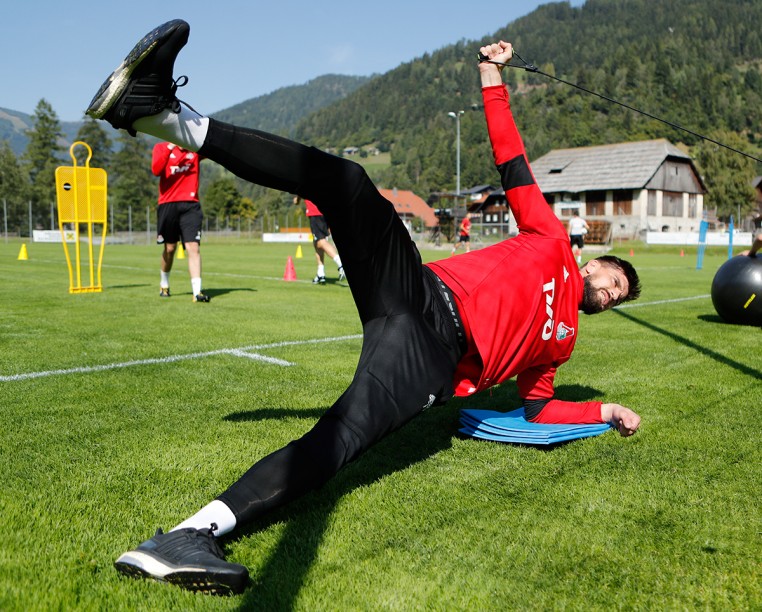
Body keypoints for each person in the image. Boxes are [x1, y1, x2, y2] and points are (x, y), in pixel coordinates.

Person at [86, 22, 642, 595]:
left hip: (430, 357)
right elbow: (512, 158)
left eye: (619, 296)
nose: (613, 292)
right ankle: (160, 115)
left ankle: (187, 536)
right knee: (349, 182)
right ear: (592, 263)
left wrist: (602, 411)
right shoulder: (551, 239)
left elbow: (539, 410)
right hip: (418, 290)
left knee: (341, 439)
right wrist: (490, 73)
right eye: (615, 278)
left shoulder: (562, 344)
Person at [152, 140, 210, 302]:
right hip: (168, 204)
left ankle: (197, 293)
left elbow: (213, 149)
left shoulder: (194, 150)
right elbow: (156, 170)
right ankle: (164, 283)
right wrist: (171, 146)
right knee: (170, 248)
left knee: (193, 247)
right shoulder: (161, 147)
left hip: (191, 205)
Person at [303, 198, 345, 284]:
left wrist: (296, 199)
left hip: (315, 213)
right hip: (323, 211)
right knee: (316, 243)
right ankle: (320, 273)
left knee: (320, 242)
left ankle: (341, 264)